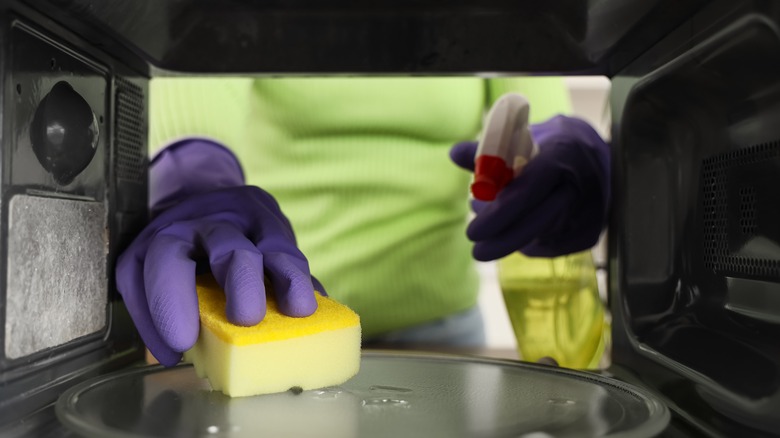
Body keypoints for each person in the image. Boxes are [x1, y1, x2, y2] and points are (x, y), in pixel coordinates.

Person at [117, 77, 610, 367]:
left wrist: (557, 162)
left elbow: (531, 84)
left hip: (440, 336)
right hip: (280, 318)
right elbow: (201, 71)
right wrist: (193, 170)